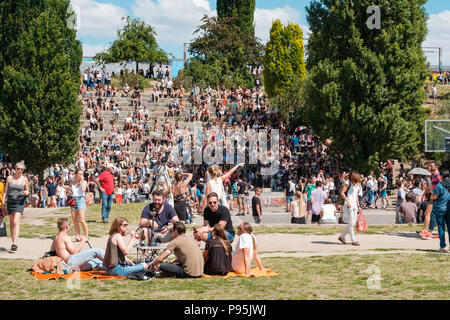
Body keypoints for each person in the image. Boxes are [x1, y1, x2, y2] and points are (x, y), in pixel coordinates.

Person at [3, 161, 29, 252]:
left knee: (16, 221)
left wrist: (26, 192)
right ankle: (13, 240)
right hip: (10, 201)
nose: (20, 171)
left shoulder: (24, 179)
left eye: (22, 169)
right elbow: (6, 191)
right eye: (18, 169)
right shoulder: (9, 178)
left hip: (20, 201)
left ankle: (14, 243)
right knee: (11, 222)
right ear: (15, 169)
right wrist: (2, 203)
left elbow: (27, 190)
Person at [338, 172, 362, 246]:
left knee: (353, 223)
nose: (359, 179)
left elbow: (356, 196)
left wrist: (358, 206)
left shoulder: (358, 185)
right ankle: (353, 240)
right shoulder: (348, 183)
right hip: (348, 205)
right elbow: (342, 193)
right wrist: (347, 201)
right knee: (351, 223)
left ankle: (342, 236)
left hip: (354, 205)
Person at [65, 169, 88, 240]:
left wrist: (81, 182)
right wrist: (67, 189)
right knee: (75, 220)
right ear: (76, 175)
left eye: (82, 174)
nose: (81, 175)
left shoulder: (84, 182)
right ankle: (77, 236)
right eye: (80, 174)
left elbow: (83, 190)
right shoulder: (72, 183)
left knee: (82, 220)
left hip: (81, 200)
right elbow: (70, 193)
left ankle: (86, 236)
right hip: (74, 200)